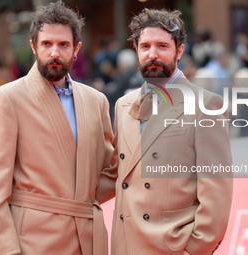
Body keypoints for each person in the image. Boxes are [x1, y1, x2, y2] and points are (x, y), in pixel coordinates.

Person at [0, 2, 113, 255]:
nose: (54, 52)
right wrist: (7, 251)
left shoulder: (96, 101)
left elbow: (108, 170)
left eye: (63, 45)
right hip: (31, 242)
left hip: (88, 238)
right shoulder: (8, 98)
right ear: (33, 46)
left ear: (76, 50)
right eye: (46, 44)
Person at [97, 8, 233, 255]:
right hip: (125, 245)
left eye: (162, 46)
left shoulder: (206, 105)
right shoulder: (123, 105)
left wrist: (194, 250)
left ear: (179, 50)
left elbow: (216, 192)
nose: (153, 54)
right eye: (145, 46)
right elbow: (119, 172)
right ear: (136, 50)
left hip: (172, 247)